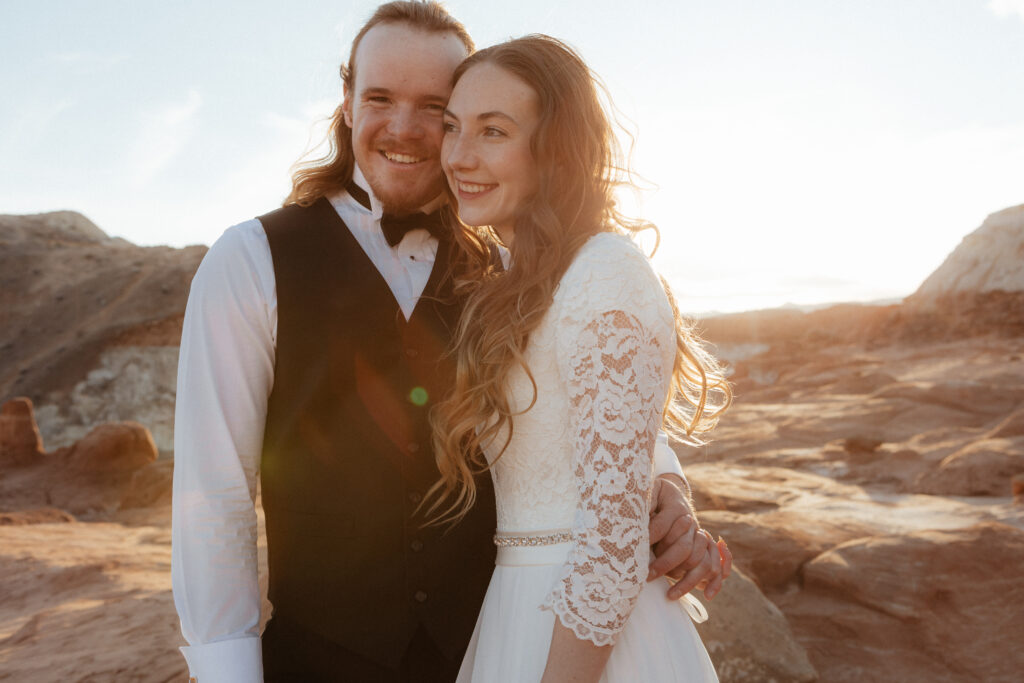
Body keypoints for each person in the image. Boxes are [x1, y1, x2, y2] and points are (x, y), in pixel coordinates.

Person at [171, 3, 728, 682]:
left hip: (493, 648)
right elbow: (214, 496)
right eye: (379, 97)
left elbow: (592, 397)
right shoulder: (249, 260)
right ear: (347, 100)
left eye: (434, 107)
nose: (403, 128)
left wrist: (668, 485)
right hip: (319, 661)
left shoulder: (510, 271)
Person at [428, 35, 732, 682]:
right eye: (452, 128)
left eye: (493, 131)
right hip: (518, 608)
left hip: (589, 643)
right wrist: (666, 478)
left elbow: (610, 546)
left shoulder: (604, 272)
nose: (458, 155)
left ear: (556, 150)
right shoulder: (516, 279)